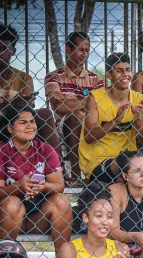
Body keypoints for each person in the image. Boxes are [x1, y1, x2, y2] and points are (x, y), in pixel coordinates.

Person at [0, 105, 72, 258]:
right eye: (23, 122)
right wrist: (18, 186)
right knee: (13, 203)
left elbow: (59, 185)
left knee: (62, 201)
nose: (30, 126)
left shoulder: (45, 149)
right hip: (6, 216)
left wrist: (42, 186)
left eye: (32, 122)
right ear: (10, 128)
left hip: (36, 217)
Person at [0, 24, 57, 151]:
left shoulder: (24, 77)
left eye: (5, 48)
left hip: (20, 118)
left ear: (13, 51)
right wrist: (11, 104)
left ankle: (56, 160)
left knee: (46, 113)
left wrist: (9, 105)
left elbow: (29, 106)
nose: (0, 53)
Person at [44, 31, 104, 182]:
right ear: (68, 49)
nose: (84, 54)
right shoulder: (53, 77)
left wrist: (71, 101)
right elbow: (59, 106)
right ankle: (76, 173)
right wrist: (89, 100)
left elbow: (103, 104)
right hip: (62, 126)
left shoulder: (95, 78)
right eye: (80, 50)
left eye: (87, 50)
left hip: (92, 122)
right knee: (74, 116)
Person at [78, 53, 143, 183]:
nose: (125, 74)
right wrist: (115, 122)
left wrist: (138, 120)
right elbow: (89, 137)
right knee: (125, 175)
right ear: (109, 75)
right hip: (98, 160)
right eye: (119, 71)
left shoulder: (139, 98)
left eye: (127, 70)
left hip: (128, 159)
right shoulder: (95, 97)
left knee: (138, 169)